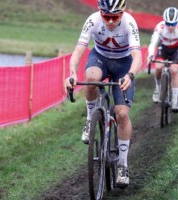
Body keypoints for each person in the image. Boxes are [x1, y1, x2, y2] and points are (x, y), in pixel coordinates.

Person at [64, 0, 142, 188]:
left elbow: (138, 56)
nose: (110, 21)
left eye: (114, 17)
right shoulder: (92, 20)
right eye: (106, 16)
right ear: (100, 13)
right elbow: (79, 50)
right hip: (100, 58)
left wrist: (130, 75)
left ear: (122, 14)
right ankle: (91, 119)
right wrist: (72, 74)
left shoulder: (130, 23)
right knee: (90, 79)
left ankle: (122, 165)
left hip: (123, 64)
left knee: (122, 113)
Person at [147, 7, 178, 112]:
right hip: (164, 48)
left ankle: (175, 100)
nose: (170, 27)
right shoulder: (160, 27)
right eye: (168, 24)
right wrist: (151, 55)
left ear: (177, 22)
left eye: (173, 24)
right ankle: (157, 88)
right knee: (158, 66)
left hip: (176, 49)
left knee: (174, 70)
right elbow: (153, 43)